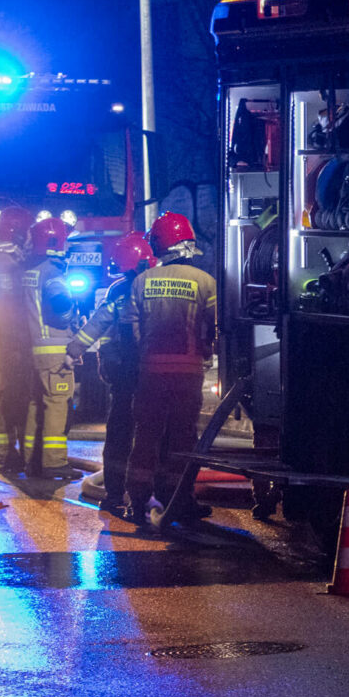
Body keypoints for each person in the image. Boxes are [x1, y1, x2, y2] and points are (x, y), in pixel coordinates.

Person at [124, 212, 217, 528]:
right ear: (187, 244)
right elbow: (215, 326)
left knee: (146, 437)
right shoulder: (205, 282)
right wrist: (206, 351)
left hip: (150, 373)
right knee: (183, 439)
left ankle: (136, 501)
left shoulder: (141, 281)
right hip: (188, 374)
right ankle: (180, 500)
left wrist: (145, 354)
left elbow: (131, 329)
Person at [64, 231, 154, 517]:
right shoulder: (155, 285)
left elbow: (99, 322)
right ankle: (150, 493)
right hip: (154, 373)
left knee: (120, 433)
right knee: (152, 434)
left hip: (126, 374)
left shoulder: (119, 289)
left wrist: (75, 348)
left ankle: (116, 493)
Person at [21, 217, 82, 481]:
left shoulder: (30, 270)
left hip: (36, 350)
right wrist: (72, 316)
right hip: (55, 351)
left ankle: (31, 460)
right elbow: (60, 306)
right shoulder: (54, 274)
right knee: (58, 405)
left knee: (37, 405)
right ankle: (54, 462)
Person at [0, 208, 35, 475]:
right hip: (12, 340)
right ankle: (10, 456)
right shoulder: (10, 264)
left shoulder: (2, 260)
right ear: (17, 233)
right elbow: (12, 305)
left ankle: (9, 455)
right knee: (12, 397)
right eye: (27, 232)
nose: (29, 237)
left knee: (9, 396)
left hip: (8, 339)